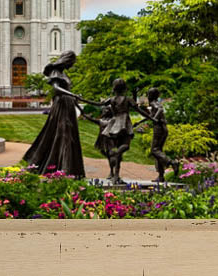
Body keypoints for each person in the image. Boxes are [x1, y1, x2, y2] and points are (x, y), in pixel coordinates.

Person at [22, 50, 84, 178]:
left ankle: (69, 168)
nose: (72, 65)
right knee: (63, 134)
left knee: (69, 135)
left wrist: (75, 99)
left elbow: (66, 90)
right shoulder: (55, 71)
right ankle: (63, 169)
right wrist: (71, 95)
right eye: (72, 62)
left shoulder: (63, 74)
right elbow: (55, 89)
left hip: (68, 105)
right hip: (61, 106)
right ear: (67, 60)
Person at [84, 78, 135, 184]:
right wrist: (151, 118)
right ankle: (116, 158)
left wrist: (82, 100)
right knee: (125, 146)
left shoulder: (111, 100)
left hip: (114, 124)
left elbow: (97, 104)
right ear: (125, 88)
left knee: (120, 148)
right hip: (125, 123)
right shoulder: (128, 99)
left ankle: (116, 175)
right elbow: (139, 110)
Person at [136, 87, 179, 182]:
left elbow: (159, 110)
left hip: (159, 128)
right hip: (163, 128)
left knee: (154, 150)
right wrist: (139, 122)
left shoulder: (153, 103)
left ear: (151, 95)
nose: (147, 96)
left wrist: (155, 118)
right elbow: (150, 116)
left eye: (148, 94)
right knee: (158, 152)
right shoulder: (156, 102)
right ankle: (161, 176)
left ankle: (171, 162)